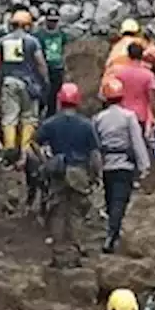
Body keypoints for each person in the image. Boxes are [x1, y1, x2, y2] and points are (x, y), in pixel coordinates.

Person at [34, 84, 102, 268]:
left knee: (56, 212)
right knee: (76, 214)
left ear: (60, 101)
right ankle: (74, 254)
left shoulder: (51, 123)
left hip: (58, 171)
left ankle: (58, 254)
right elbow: (95, 155)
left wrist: (46, 161)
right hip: (79, 173)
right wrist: (95, 175)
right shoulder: (86, 125)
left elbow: (34, 143)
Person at [91, 77, 150, 254]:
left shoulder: (98, 119)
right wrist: (144, 165)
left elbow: (95, 146)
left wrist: (95, 169)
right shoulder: (129, 117)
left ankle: (112, 230)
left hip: (107, 165)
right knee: (119, 201)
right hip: (125, 165)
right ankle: (112, 234)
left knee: (110, 200)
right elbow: (137, 142)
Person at [0, 9, 49, 155]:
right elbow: (41, 64)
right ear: (27, 25)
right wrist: (45, 82)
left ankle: (9, 150)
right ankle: (26, 151)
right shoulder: (32, 41)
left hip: (9, 82)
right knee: (29, 118)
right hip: (29, 84)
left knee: (9, 117)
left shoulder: (3, 41)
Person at [114, 44, 155, 138]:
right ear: (142, 55)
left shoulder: (119, 74)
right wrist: (154, 114)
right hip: (140, 116)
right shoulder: (148, 75)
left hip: (122, 115)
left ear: (128, 55)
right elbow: (151, 99)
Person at [34, 10, 70, 118]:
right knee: (42, 94)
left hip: (57, 68)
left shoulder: (62, 34)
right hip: (44, 68)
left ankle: (51, 116)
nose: (52, 23)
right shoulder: (39, 35)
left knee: (53, 96)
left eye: (55, 21)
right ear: (46, 20)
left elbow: (64, 49)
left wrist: (64, 64)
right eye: (50, 21)